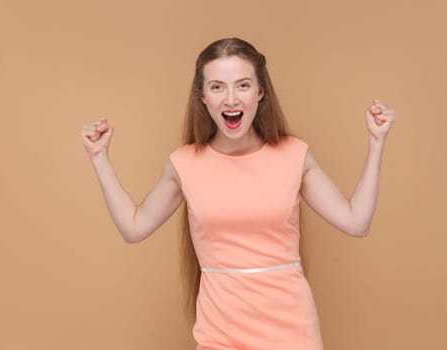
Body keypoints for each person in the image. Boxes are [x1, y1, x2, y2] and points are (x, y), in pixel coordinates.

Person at [80, 37, 395, 350]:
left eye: (242, 85)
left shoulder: (294, 154)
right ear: (202, 96)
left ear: (260, 92)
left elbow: (357, 222)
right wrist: (99, 159)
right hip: (219, 333)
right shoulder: (184, 163)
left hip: (290, 330)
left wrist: (376, 142)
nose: (230, 99)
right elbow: (134, 228)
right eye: (217, 87)